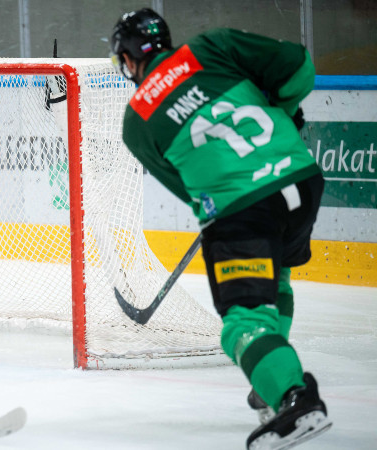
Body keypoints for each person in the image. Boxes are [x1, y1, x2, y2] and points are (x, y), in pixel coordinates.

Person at [110, 8, 331, 450]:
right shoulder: (210, 46)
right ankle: (271, 371)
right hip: (302, 183)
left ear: (131, 58)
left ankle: (294, 397)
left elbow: (189, 188)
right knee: (277, 277)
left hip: (242, 208)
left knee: (240, 325)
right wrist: (281, 115)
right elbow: (298, 67)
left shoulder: (137, 123)